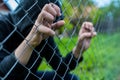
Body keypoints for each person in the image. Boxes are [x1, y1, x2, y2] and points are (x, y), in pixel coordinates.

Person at [0, 0, 97, 80]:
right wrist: (30, 41)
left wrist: (79, 49)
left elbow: (61, 68)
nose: (51, 30)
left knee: (71, 78)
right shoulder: (3, 24)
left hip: (28, 76)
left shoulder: (44, 34)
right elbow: (3, 74)